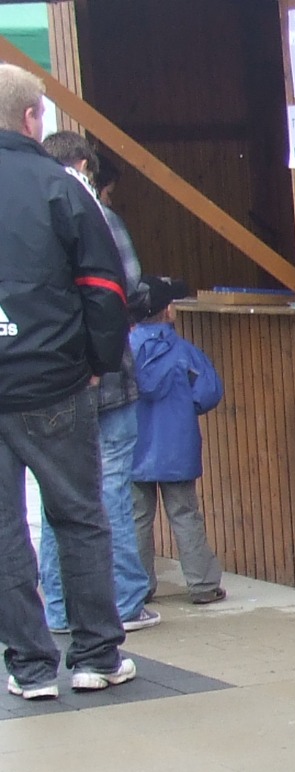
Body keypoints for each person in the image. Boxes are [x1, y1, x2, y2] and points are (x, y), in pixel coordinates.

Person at [0, 64, 134, 700]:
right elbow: (105, 286)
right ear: (33, 119)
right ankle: (95, 656)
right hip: (54, 381)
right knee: (78, 518)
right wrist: (98, 362)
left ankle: (29, 668)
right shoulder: (62, 188)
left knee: (3, 532)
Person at [34, 130, 156, 634]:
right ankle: (124, 600)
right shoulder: (99, 217)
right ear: (84, 165)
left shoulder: (29, 216)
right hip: (108, 376)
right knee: (111, 491)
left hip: (54, 377)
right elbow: (128, 289)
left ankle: (59, 607)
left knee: (55, 495)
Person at [126, 276, 225, 605]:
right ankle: (203, 585)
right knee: (185, 515)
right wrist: (183, 408)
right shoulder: (185, 353)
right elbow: (209, 393)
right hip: (177, 448)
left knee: (137, 519)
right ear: (169, 311)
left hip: (132, 449)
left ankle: (139, 588)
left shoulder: (123, 353)